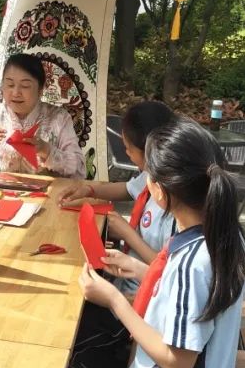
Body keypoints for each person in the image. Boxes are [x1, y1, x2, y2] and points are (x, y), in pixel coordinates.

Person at [54, 121, 245, 368]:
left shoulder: (193, 263)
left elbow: (177, 363)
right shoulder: (223, 237)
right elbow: (199, 301)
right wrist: (143, 271)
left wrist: (115, 300)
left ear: (158, 191)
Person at [60, 101, 178, 293]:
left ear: (149, 150)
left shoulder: (176, 207)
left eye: (128, 148)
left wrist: (127, 234)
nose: (126, 152)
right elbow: (127, 189)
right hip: (123, 279)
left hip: (141, 295)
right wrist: (89, 190)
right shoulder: (154, 175)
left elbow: (168, 272)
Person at [0, 53, 85, 178]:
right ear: (2, 86)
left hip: (46, 194)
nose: (16, 93)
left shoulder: (59, 118)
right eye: (10, 84)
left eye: (25, 86)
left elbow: (79, 170)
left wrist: (46, 150)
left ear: (40, 89)